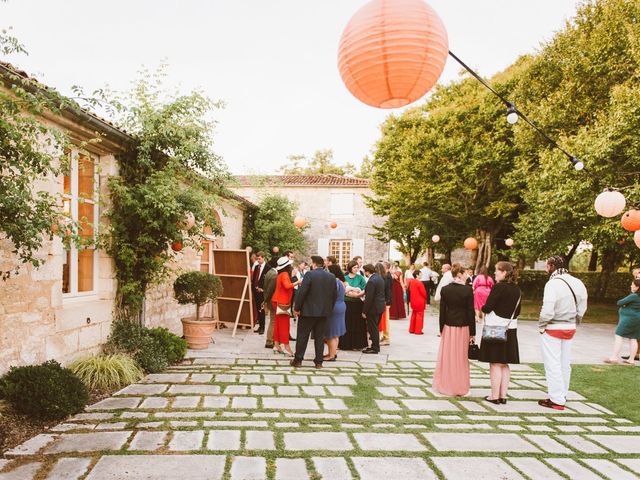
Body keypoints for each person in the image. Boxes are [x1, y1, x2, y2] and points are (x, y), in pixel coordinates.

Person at [538, 255, 588, 410]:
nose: (546, 268)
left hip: (553, 327)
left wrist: (542, 325)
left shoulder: (552, 284)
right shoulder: (578, 282)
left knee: (552, 363)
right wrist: (575, 321)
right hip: (570, 326)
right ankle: (563, 393)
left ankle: (557, 399)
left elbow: (548, 309)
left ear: (552, 266)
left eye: (547, 265)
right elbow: (583, 305)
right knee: (565, 363)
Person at [479, 261, 521, 404]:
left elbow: (488, 307)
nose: (495, 273)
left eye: (497, 270)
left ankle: (494, 396)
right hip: (510, 329)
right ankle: (503, 395)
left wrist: (482, 307)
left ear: (503, 272)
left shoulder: (498, 287)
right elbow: (518, 310)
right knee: (504, 363)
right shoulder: (517, 289)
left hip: (495, 329)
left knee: (495, 363)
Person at [433, 263, 476, 396]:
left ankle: (446, 384)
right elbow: (470, 312)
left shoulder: (445, 289)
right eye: (464, 274)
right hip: (463, 326)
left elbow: (442, 311)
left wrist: (441, 328)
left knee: (448, 356)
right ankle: (460, 385)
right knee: (461, 357)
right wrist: (473, 332)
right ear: (459, 274)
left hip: (448, 325)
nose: (466, 276)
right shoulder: (468, 290)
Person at [291, 256, 337, 368]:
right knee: (320, 337)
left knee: (302, 336)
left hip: (308, 311)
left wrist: (297, 308)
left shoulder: (309, 274)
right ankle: (318, 362)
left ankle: (298, 360)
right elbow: (334, 295)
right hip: (323, 312)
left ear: (315, 264)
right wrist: (329, 308)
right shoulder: (331, 276)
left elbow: (302, 293)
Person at [604, 279, 640, 365]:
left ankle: (614, 357)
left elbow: (619, 302)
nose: (631, 286)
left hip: (629, 319)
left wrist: (625, 305)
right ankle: (631, 360)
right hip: (636, 319)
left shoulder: (634, 296)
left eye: (632, 285)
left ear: (637, 287)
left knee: (618, 336)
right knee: (633, 338)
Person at [272, 257, 301, 356]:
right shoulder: (284, 274)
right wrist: (298, 282)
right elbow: (287, 286)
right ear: (287, 266)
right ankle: (286, 347)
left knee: (277, 324)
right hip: (282, 302)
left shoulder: (280, 274)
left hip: (277, 300)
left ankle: (276, 345)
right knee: (284, 325)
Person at [339, 260, 368, 351]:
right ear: (350, 268)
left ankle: (357, 344)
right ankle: (345, 344)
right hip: (347, 303)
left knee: (357, 324)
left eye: (357, 267)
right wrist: (350, 292)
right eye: (354, 267)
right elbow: (341, 289)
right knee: (346, 323)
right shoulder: (344, 278)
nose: (356, 269)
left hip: (357, 304)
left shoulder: (360, 278)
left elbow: (365, 289)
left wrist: (357, 293)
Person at [361, 263, 386, 354]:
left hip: (373, 308)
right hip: (380, 306)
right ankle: (374, 346)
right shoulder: (379, 278)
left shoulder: (372, 281)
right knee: (375, 327)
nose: (364, 273)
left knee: (373, 328)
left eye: (364, 271)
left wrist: (364, 311)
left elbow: (369, 298)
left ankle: (375, 348)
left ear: (367, 271)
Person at [324, 265, 347, 361]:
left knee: (332, 333)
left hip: (334, 307)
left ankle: (332, 355)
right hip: (341, 305)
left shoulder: (334, 282)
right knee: (334, 332)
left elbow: (330, 296)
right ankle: (331, 352)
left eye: (327, 270)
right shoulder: (341, 282)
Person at [251, 251, 271, 334]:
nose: (258, 260)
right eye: (257, 259)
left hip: (263, 292)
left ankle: (262, 327)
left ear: (263, 258)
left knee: (262, 310)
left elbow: (270, 281)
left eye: (259, 259)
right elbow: (255, 278)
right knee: (258, 309)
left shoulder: (268, 268)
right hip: (256, 291)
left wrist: (263, 289)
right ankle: (259, 326)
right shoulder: (256, 267)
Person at [262, 257, 279, 348]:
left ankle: (271, 340)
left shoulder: (270, 272)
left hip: (270, 300)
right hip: (272, 300)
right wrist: (266, 300)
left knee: (273, 320)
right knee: (273, 320)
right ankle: (269, 341)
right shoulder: (274, 275)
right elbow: (270, 290)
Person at [408, 270, 427, 334]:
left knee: (414, 315)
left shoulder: (412, 282)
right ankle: (418, 330)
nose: (421, 275)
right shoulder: (419, 283)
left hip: (413, 300)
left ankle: (412, 329)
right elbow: (424, 293)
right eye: (420, 274)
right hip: (419, 301)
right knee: (419, 316)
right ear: (417, 275)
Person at [379, 262, 393, 345]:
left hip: (386, 301)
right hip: (386, 300)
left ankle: (386, 338)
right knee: (384, 320)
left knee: (386, 321)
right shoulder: (386, 275)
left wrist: (387, 301)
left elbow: (388, 290)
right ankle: (384, 336)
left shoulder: (387, 276)